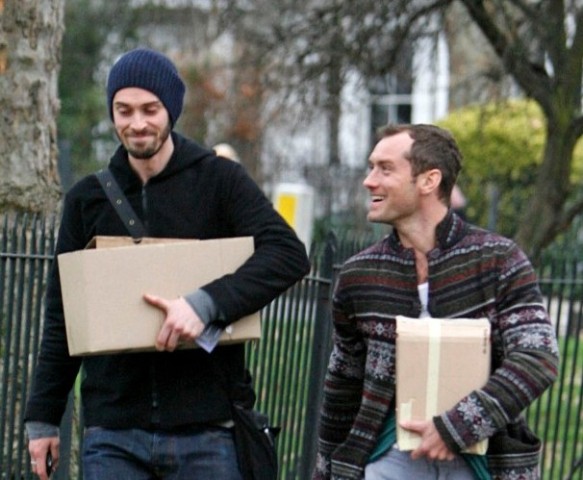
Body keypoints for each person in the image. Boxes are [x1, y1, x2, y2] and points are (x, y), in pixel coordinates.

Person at [24, 47, 310, 480]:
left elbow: (287, 254)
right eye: (124, 110)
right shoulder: (87, 199)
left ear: (171, 110)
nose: (137, 123)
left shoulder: (219, 181)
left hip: (207, 428)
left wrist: (205, 305)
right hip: (113, 432)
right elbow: (62, 313)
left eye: (150, 109)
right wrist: (43, 417)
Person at [312, 124, 559, 480]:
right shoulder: (359, 275)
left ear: (429, 180)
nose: (369, 181)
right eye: (371, 167)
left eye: (385, 169)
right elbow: (342, 384)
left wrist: (455, 428)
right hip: (386, 463)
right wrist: (325, 472)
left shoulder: (498, 260)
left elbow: (537, 357)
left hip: (483, 465)